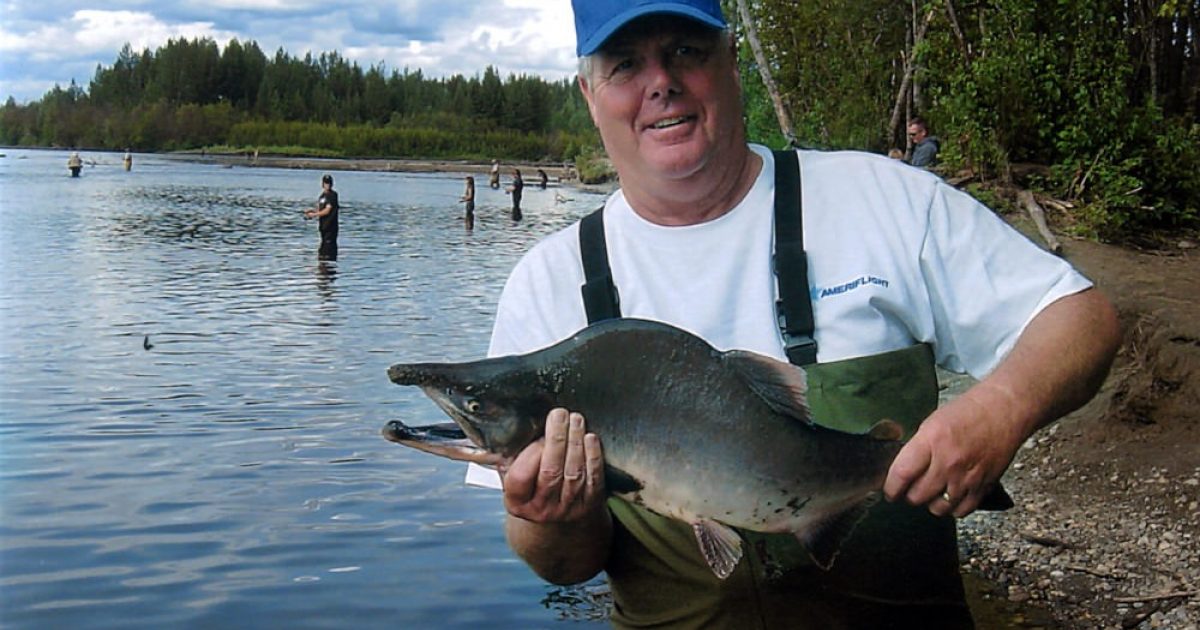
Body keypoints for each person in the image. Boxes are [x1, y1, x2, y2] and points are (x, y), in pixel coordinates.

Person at [484, 2, 1121, 628]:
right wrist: (553, 517)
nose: (661, 84)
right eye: (625, 65)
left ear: (733, 61)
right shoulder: (548, 285)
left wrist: (999, 409)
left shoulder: (883, 201)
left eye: (686, 51)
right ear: (589, 95)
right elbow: (565, 569)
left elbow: (1081, 319)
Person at [304, 174, 339, 261]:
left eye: (329, 183)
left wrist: (314, 215)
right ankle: (323, 268)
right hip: (323, 227)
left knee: (329, 251)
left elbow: (327, 210)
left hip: (331, 228)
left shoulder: (332, 195)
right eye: (326, 183)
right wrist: (312, 212)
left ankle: (329, 269)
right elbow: (321, 209)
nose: (328, 185)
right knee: (322, 252)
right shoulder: (322, 196)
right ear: (322, 184)